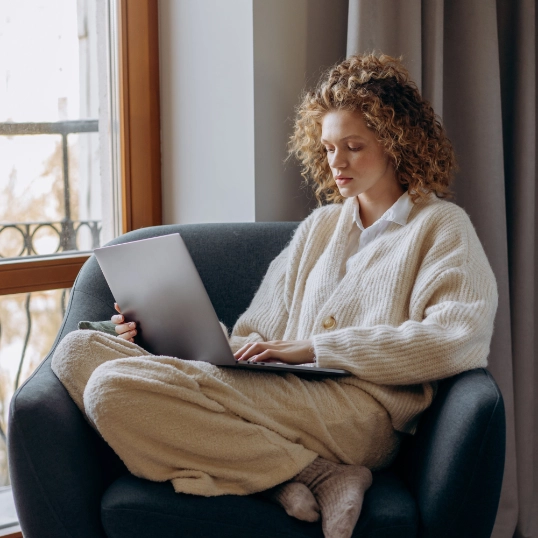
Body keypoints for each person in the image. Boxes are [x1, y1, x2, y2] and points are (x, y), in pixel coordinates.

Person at [51, 53, 498, 538]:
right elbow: (253, 332)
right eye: (328, 148)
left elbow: (458, 339)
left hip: (359, 411)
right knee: (78, 353)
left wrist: (315, 348)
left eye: (353, 146)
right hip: (279, 390)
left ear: (396, 144)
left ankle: (302, 469)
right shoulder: (321, 226)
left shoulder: (440, 227)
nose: (337, 163)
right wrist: (164, 332)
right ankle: (296, 473)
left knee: (112, 389)